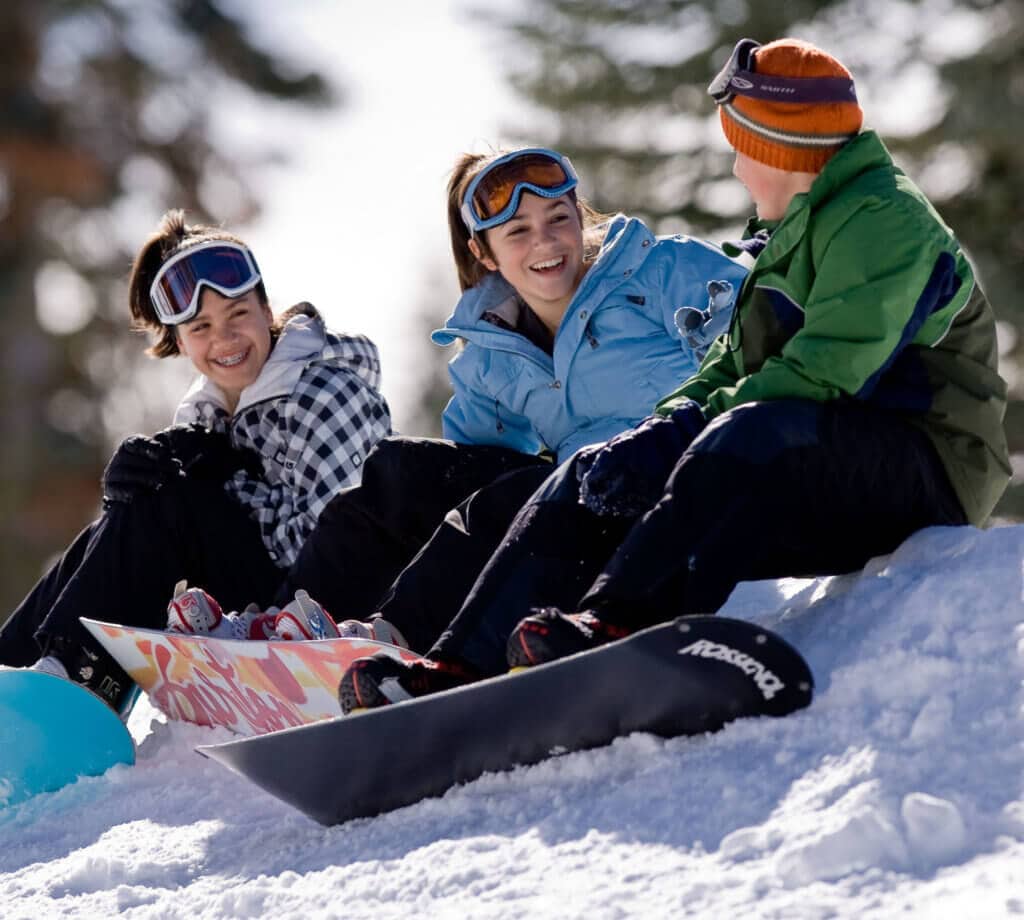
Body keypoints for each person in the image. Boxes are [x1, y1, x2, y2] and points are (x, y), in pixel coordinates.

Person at [337, 38, 1010, 711]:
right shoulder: (794, 234)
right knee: (596, 471)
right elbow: (728, 368)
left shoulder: (880, 217)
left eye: (743, 149)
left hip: (928, 466)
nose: (739, 169)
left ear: (779, 149)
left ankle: (621, 621)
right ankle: (457, 664)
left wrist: (687, 429)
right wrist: (656, 434)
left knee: (748, 430)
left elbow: (827, 371)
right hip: (819, 458)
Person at [250, 146, 749, 654]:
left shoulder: (660, 270)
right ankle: (284, 627)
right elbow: (469, 473)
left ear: (580, 218)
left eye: (558, 218)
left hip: (666, 488)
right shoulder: (493, 349)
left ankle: (397, 636)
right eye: (519, 232)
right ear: (484, 254)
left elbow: (759, 348)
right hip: (574, 502)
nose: (546, 242)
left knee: (511, 499)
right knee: (402, 471)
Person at [0, 210, 391, 712]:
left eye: (238, 314)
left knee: (165, 501)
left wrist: (221, 488)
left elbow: (346, 542)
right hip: (273, 597)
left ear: (266, 307)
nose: (224, 340)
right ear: (179, 341)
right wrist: (133, 497)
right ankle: (16, 669)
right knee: (145, 498)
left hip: (340, 613)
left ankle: (73, 686)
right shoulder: (209, 417)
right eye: (201, 327)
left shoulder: (323, 393)